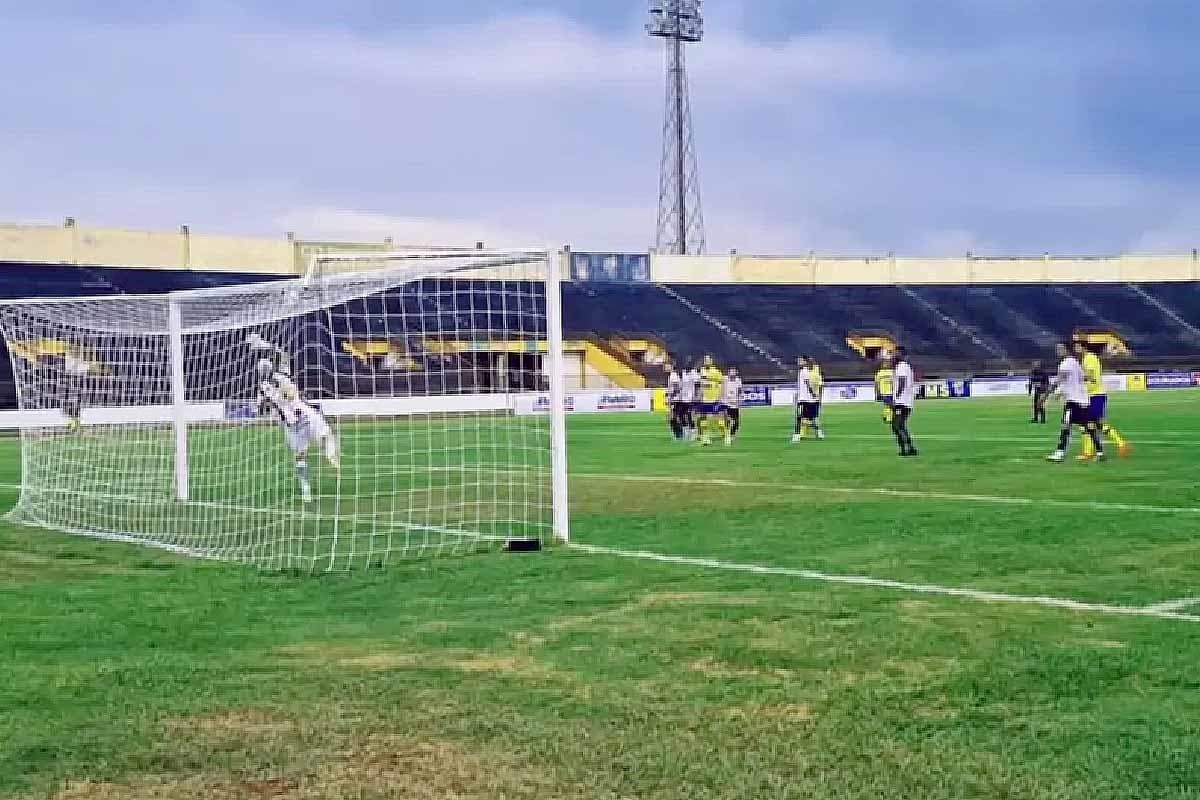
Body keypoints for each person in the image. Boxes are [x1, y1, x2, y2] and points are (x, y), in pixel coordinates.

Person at [256, 357, 340, 502]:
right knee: (326, 434)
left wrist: (268, 401)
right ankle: (330, 456)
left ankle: (305, 488)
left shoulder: (263, 388)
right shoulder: (280, 378)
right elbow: (290, 393)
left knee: (301, 455)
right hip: (304, 416)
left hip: (293, 423)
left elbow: (261, 409)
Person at [1046, 342, 1104, 463]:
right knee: (1089, 426)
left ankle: (1060, 452)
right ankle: (1100, 452)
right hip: (1083, 400)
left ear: (1067, 350)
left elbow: (1059, 379)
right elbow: (1081, 377)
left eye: (1060, 348)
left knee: (1066, 425)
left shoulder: (1066, 364)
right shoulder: (1075, 362)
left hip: (1073, 401)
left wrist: (1046, 395)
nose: (1058, 351)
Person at [1076, 342, 1130, 460]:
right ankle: (1088, 452)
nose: (1076, 349)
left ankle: (1120, 443)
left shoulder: (1089, 358)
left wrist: (1076, 377)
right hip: (1091, 395)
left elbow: (1090, 376)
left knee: (1095, 423)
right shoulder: (1088, 358)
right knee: (1087, 424)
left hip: (1095, 395)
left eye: (1078, 347)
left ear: (1084, 348)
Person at [891, 347, 918, 456]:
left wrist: (897, 398)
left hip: (902, 402)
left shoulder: (902, 366)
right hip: (906, 401)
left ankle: (904, 450)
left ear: (901, 355)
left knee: (896, 425)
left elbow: (902, 382)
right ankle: (910, 448)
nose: (894, 356)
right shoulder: (904, 366)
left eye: (896, 354)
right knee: (900, 425)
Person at [791, 356, 824, 441]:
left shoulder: (804, 371)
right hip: (806, 399)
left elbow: (807, 383)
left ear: (805, 361)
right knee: (806, 418)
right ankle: (817, 432)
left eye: (801, 360)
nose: (799, 362)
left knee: (801, 418)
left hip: (805, 399)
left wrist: (812, 393)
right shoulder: (805, 371)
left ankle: (797, 435)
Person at [696, 354, 726, 446]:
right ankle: (706, 438)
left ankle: (725, 434)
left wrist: (720, 396)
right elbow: (701, 385)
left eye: (708, 360)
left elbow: (722, 384)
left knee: (718, 420)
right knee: (703, 419)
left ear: (711, 361)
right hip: (704, 399)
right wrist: (699, 396)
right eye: (705, 360)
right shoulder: (702, 371)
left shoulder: (716, 372)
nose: (706, 362)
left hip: (714, 399)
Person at [719, 367, 743, 445]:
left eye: (733, 372)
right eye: (730, 372)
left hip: (735, 403)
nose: (732, 374)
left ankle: (732, 434)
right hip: (726, 403)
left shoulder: (738, 380)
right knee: (727, 420)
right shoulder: (725, 379)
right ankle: (727, 434)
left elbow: (739, 391)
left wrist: (739, 400)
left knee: (736, 421)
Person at [665, 361, 684, 440]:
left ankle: (679, 434)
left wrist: (671, 396)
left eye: (667, 366)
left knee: (673, 417)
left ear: (671, 367)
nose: (665, 368)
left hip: (675, 400)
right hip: (674, 399)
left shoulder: (673, 376)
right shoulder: (671, 376)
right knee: (672, 417)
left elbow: (677, 388)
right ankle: (678, 434)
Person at [1027, 360, 1050, 424]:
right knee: (1035, 404)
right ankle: (1036, 418)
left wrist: (1045, 389)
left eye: (1036, 365)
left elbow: (1047, 382)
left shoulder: (1044, 373)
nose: (1035, 366)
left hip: (1042, 391)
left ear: (1039, 366)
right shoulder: (1032, 372)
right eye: (1034, 365)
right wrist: (1030, 390)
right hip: (1037, 391)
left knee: (1040, 404)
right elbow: (1031, 382)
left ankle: (1043, 419)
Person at [874, 356, 895, 424]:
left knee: (888, 405)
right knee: (888, 405)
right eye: (884, 363)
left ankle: (887, 417)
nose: (886, 364)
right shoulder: (879, 373)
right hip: (884, 392)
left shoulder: (893, 372)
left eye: (887, 363)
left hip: (892, 392)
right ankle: (889, 418)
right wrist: (877, 392)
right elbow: (876, 383)